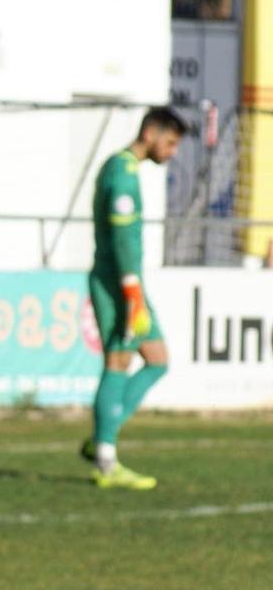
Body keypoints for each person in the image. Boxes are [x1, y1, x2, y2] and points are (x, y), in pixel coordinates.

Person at [82, 106, 185, 490]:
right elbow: (122, 237)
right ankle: (106, 459)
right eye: (170, 142)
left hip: (127, 282)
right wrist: (130, 292)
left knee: (157, 359)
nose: (172, 151)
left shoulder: (123, 168)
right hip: (118, 284)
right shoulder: (122, 174)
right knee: (119, 359)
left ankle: (102, 435)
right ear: (151, 133)